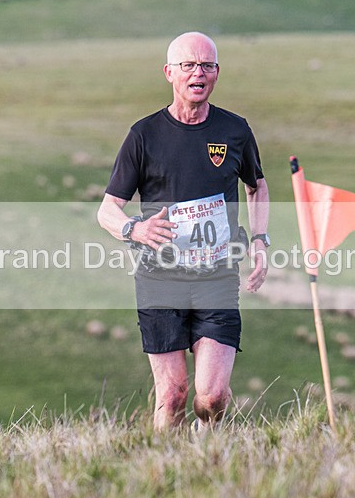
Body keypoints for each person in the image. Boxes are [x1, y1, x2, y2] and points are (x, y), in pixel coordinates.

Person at [97, 32, 270, 431]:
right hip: (161, 279)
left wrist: (260, 240)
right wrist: (134, 230)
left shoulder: (234, 131)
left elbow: (257, 185)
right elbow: (107, 209)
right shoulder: (144, 136)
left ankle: (205, 448)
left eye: (207, 65)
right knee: (173, 394)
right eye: (189, 65)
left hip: (217, 277)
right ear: (169, 73)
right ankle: (162, 473)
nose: (199, 73)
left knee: (211, 398)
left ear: (217, 73)